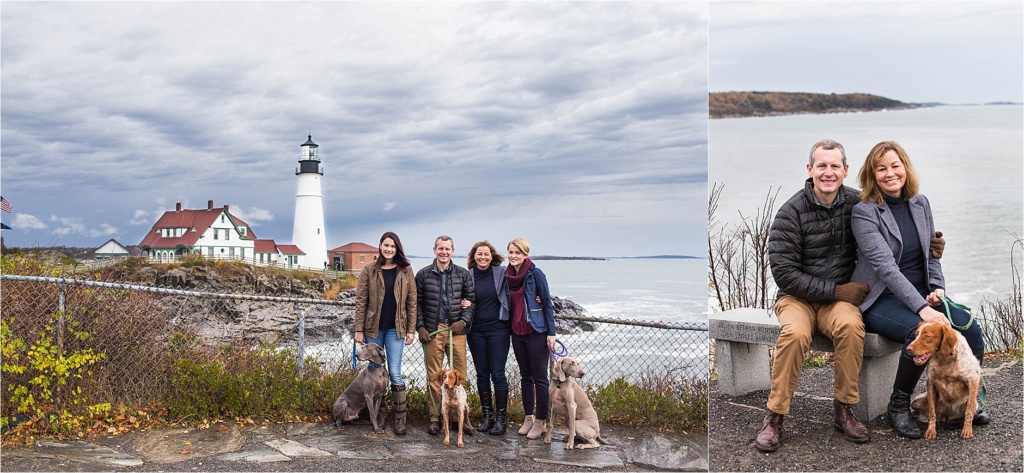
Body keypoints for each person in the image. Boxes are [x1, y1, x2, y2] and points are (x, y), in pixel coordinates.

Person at [850, 140, 987, 439]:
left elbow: (930, 255)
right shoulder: (864, 213)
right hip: (882, 298)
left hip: (923, 294)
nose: (889, 174)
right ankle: (898, 406)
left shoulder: (920, 203)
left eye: (895, 166)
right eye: (881, 168)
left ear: (905, 168)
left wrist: (937, 290)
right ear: (872, 175)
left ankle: (968, 404)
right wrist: (923, 310)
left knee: (972, 331)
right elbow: (887, 269)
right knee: (918, 332)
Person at [353, 232, 417, 435]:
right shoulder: (369, 269)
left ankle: (400, 420)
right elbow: (361, 301)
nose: (389, 249)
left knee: (395, 373)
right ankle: (378, 417)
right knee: (374, 373)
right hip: (373, 328)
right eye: (386, 245)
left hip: (396, 329)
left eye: (393, 246)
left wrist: (410, 329)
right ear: (380, 246)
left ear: (397, 249)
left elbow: (412, 302)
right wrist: (358, 329)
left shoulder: (405, 271)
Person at [416, 235, 475, 436]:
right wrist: (420, 327)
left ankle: (461, 418)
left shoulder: (462, 274)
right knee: (435, 376)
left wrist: (463, 322)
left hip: (457, 331)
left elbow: (471, 302)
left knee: (459, 374)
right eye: (440, 248)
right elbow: (417, 304)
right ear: (434, 250)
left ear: (453, 250)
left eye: (447, 249)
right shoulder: (423, 275)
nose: (444, 252)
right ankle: (435, 418)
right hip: (433, 331)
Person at [505, 237, 556, 440]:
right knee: (525, 376)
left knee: (540, 378)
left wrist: (551, 333)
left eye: (517, 252)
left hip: (536, 331)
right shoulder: (508, 275)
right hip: (517, 331)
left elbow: (547, 303)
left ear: (525, 254)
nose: (513, 256)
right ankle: (528, 418)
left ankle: (540, 422)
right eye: (510, 252)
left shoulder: (536, 274)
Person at [463, 240, 512, 435]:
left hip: (499, 330)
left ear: (492, 256)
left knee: (497, 373)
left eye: (486, 254)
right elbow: (459, 294)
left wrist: (537, 298)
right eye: (479, 254)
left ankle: (501, 418)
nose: (483, 257)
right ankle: (487, 416)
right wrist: (461, 303)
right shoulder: (469, 275)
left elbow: (519, 285)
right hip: (475, 331)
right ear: (473, 256)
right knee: (482, 373)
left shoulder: (502, 272)